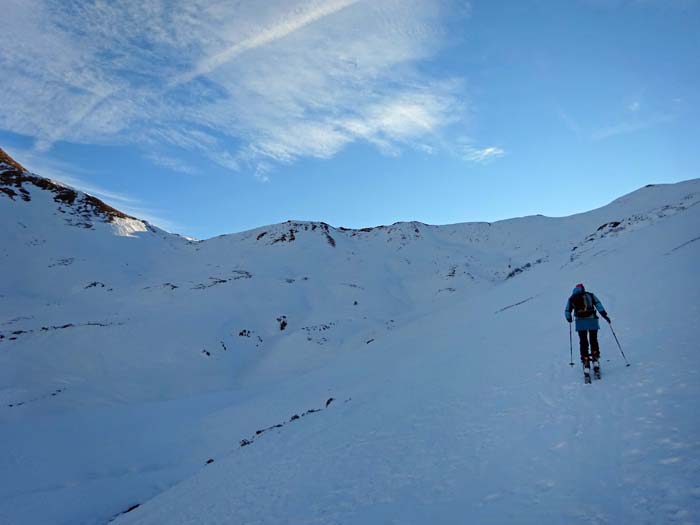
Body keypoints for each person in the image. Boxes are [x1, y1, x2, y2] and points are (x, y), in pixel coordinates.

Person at [564, 283, 610, 377]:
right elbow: (598, 304)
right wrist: (604, 315)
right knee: (594, 339)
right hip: (592, 320)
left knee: (583, 341)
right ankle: (595, 358)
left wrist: (569, 318)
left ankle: (585, 360)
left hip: (580, 322)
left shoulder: (572, 298)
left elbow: (567, 310)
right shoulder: (590, 295)